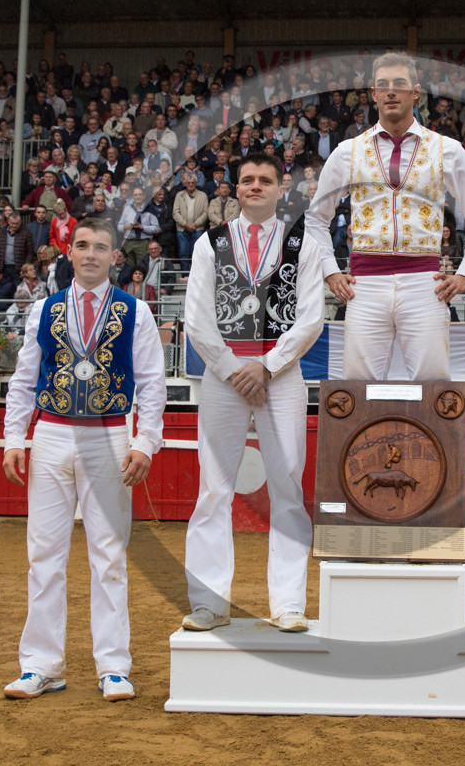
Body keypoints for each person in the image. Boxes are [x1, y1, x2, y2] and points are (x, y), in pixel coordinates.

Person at [1, 217, 165, 702]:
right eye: (82, 246)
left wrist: (146, 441)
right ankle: (41, 665)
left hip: (111, 435)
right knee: (43, 556)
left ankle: (113, 666)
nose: (91, 254)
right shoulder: (43, 310)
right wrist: (15, 436)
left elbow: (153, 383)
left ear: (115, 257)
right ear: (68, 252)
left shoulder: (136, 311)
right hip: (51, 433)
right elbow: (24, 377)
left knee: (109, 557)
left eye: (101, 247)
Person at [181, 153, 325, 633]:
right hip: (226, 378)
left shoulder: (302, 242)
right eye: (248, 180)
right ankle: (209, 601)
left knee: (287, 485)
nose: (256, 186)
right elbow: (197, 318)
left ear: (281, 188)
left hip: (279, 375)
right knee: (213, 489)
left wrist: (266, 365)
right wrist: (231, 368)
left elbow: (311, 317)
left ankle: (287, 603)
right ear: (235, 188)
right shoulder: (211, 242)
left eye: (266, 180)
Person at [307, 51, 465, 380]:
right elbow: (315, 219)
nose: (391, 91)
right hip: (363, 284)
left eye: (399, 84)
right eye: (383, 85)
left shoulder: (447, 149)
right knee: (357, 389)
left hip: (426, 283)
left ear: (416, 92)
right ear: (373, 94)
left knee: (433, 389)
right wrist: (329, 272)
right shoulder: (347, 151)